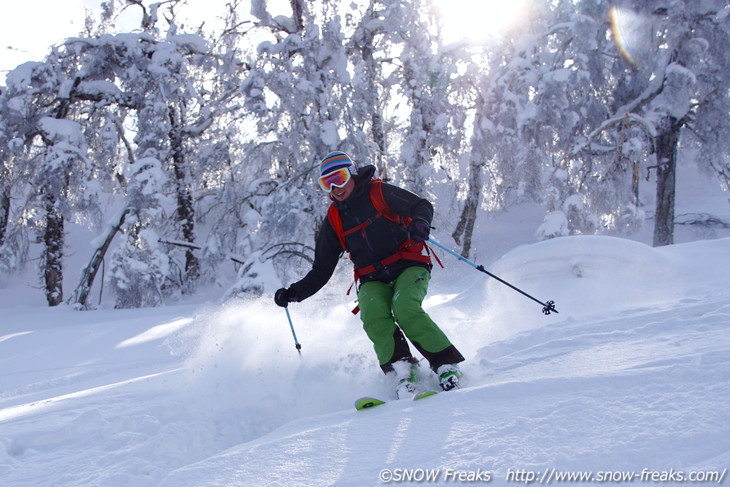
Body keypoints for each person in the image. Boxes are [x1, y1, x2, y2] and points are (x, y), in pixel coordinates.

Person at [274, 151, 464, 398]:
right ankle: (403, 373)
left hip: (409, 264)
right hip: (372, 278)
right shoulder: (334, 219)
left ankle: (446, 365)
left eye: (340, 178)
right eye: (327, 183)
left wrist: (420, 223)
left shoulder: (379, 193)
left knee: (406, 308)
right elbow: (322, 268)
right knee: (374, 316)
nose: (335, 188)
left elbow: (421, 205)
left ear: (352, 173)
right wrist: (294, 293)